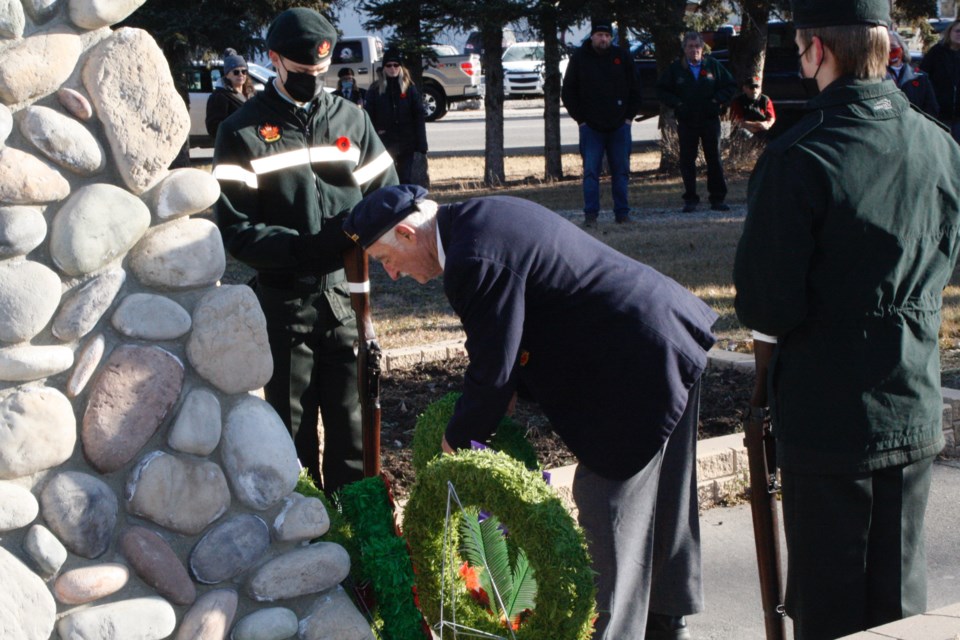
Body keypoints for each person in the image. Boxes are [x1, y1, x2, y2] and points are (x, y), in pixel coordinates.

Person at [343, 185, 718, 640]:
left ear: (406, 232)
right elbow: (518, 321)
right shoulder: (477, 219)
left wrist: (452, 445)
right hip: (663, 338)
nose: (393, 274)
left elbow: (491, 374)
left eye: (386, 259)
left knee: (610, 514)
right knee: (662, 509)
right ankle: (667, 629)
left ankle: (614, 633)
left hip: (635, 365)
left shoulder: (471, 259)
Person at [733, 0, 960, 637]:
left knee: (830, 611)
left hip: (830, 419)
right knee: (899, 609)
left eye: (801, 46)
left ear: (818, 51)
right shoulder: (938, 145)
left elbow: (765, 304)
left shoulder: (800, 157)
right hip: (911, 402)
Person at [211, 7, 399, 493]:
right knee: (290, 433)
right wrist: (304, 249)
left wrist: (364, 233)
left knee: (352, 429)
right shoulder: (242, 132)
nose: (313, 81)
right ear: (274, 60)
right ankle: (302, 543)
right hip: (284, 303)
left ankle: (357, 542)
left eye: (321, 72)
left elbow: (387, 195)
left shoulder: (352, 120)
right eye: (301, 73)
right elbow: (236, 230)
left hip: (346, 299)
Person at [561, 18, 642, 227]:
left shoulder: (622, 56)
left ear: (611, 38)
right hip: (591, 127)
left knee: (621, 171)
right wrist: (581, 120)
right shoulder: (579, 58)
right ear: (592, 36)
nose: (603, 39)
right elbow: (568, 91)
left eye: (607, 36)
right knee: (590, 173)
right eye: (600, 35)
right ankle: (590, 215)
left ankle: (622, 214)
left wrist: (628, 119)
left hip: (619, 126)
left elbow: (635, 89)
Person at [657, 32, 737, 213]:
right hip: (687, 121)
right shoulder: (676, 68)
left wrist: (717, 100)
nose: (694, 50)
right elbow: (662, 90)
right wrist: (677, 104)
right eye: (690, 46)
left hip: (709, 120)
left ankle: (717, 198)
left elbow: (730, 85)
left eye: (697, 46)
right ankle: (690, 199)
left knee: (714, 159)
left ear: (703, 48)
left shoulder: (712, 66)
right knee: (687, 160)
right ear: (684, 49)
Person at [365, 50, 428, 185]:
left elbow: (418, 115)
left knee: (405, 178)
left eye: (395, 65)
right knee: (389, 179)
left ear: (400, 67)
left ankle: (405, 204)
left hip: (407, 141)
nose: (392, 68)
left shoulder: (409, 88)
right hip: (385, 141)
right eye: (389, 65)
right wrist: (376, 133)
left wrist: (421, 142)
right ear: (384, 68)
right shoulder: (375, 89)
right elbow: (368, 116)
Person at [920, 18, 960, 140]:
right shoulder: (936, 52)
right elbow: (923, 76)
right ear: (950, 32)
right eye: (957, 31)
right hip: (940, 113)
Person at [888, 31, 939, 118]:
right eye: (884, 47)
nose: (889, 50)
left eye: (893, 46)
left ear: (902, 49)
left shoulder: (920, 77)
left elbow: (931, 109)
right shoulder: (873, 77)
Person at [205, 49, 253, 139]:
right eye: (236, 72)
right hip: (233, 147)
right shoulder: (219, 97)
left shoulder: (250, 94)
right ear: (227, 75)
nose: (240, 75)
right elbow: (214, 128)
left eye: (243, 71)